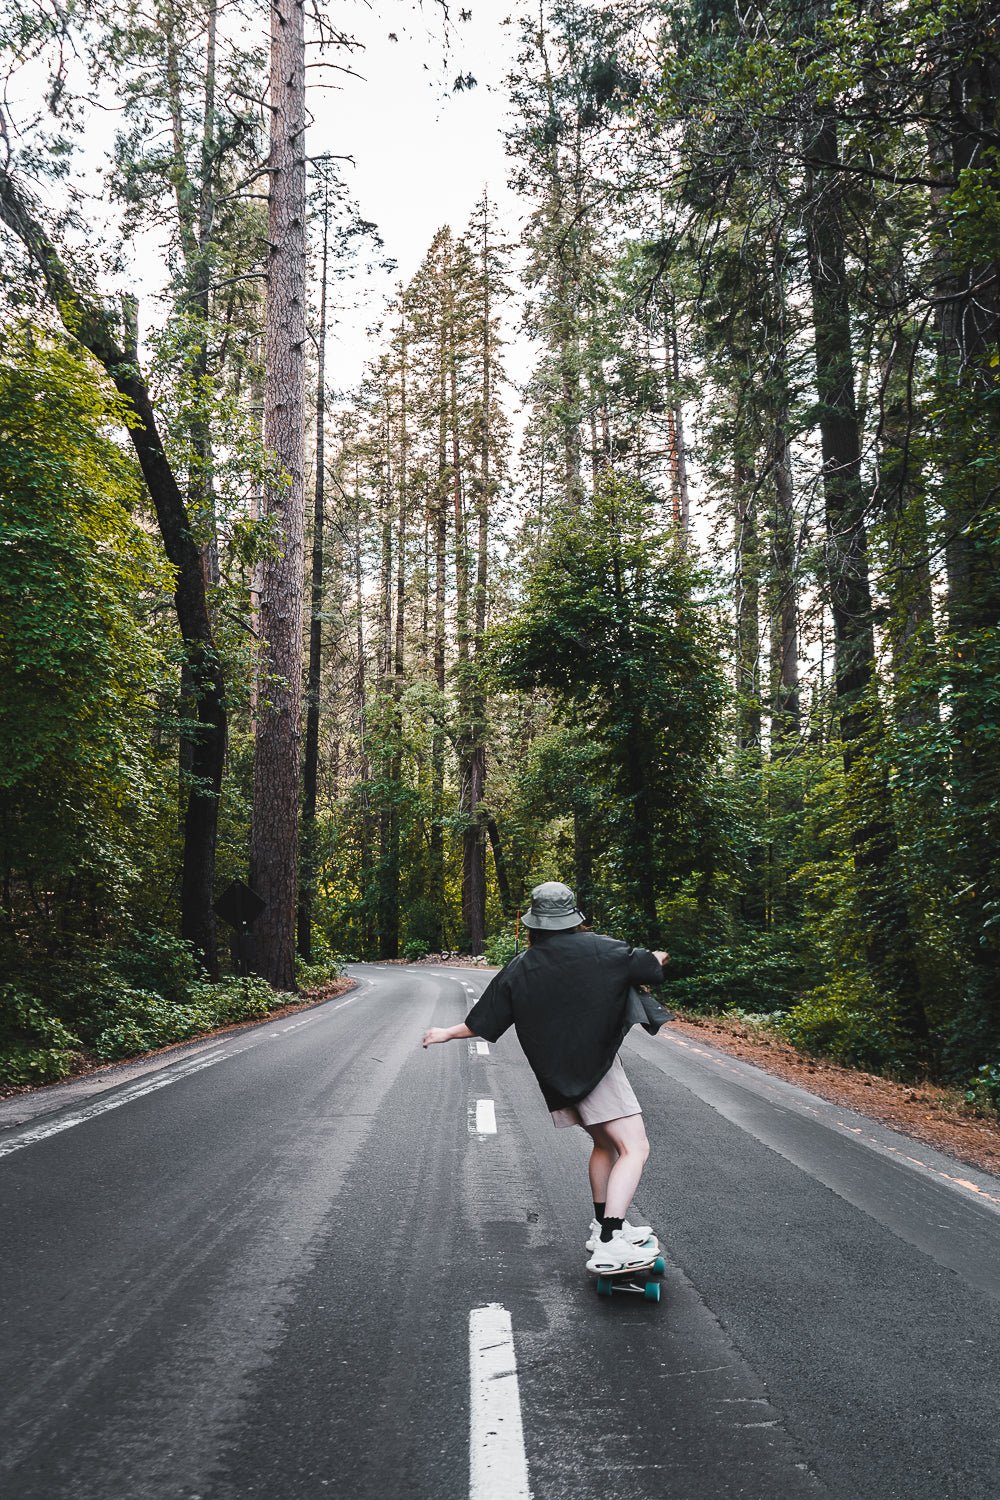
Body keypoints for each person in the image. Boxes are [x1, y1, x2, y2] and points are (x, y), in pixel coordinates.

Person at [421, 881, 670, 1272]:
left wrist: (444, 1033)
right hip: (596, 1070)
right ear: (574, 917)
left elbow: (485, 1021)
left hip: (558, 1078)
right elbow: (649, 969)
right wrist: (657, 956)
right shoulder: (604, 949)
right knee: (635, 1148)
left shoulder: (521, 966)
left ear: (533, 923)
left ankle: (603, 1226)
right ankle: (610, 1241)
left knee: (605, 1146)